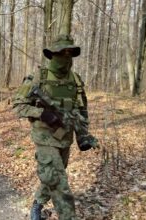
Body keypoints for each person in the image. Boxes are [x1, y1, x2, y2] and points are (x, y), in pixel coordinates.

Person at [13, 35, 98, 220]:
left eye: (70, 53)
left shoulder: (75, 80)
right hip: (44, 137)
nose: (65, 57)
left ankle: (37, 205)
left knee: (52, 175)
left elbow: (81, 110)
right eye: (61, 53)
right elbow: (18, 105)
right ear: (52, 54)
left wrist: (83, 136)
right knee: (58, 181)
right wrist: (42, 114)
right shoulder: (38, 78)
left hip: (64, 138)